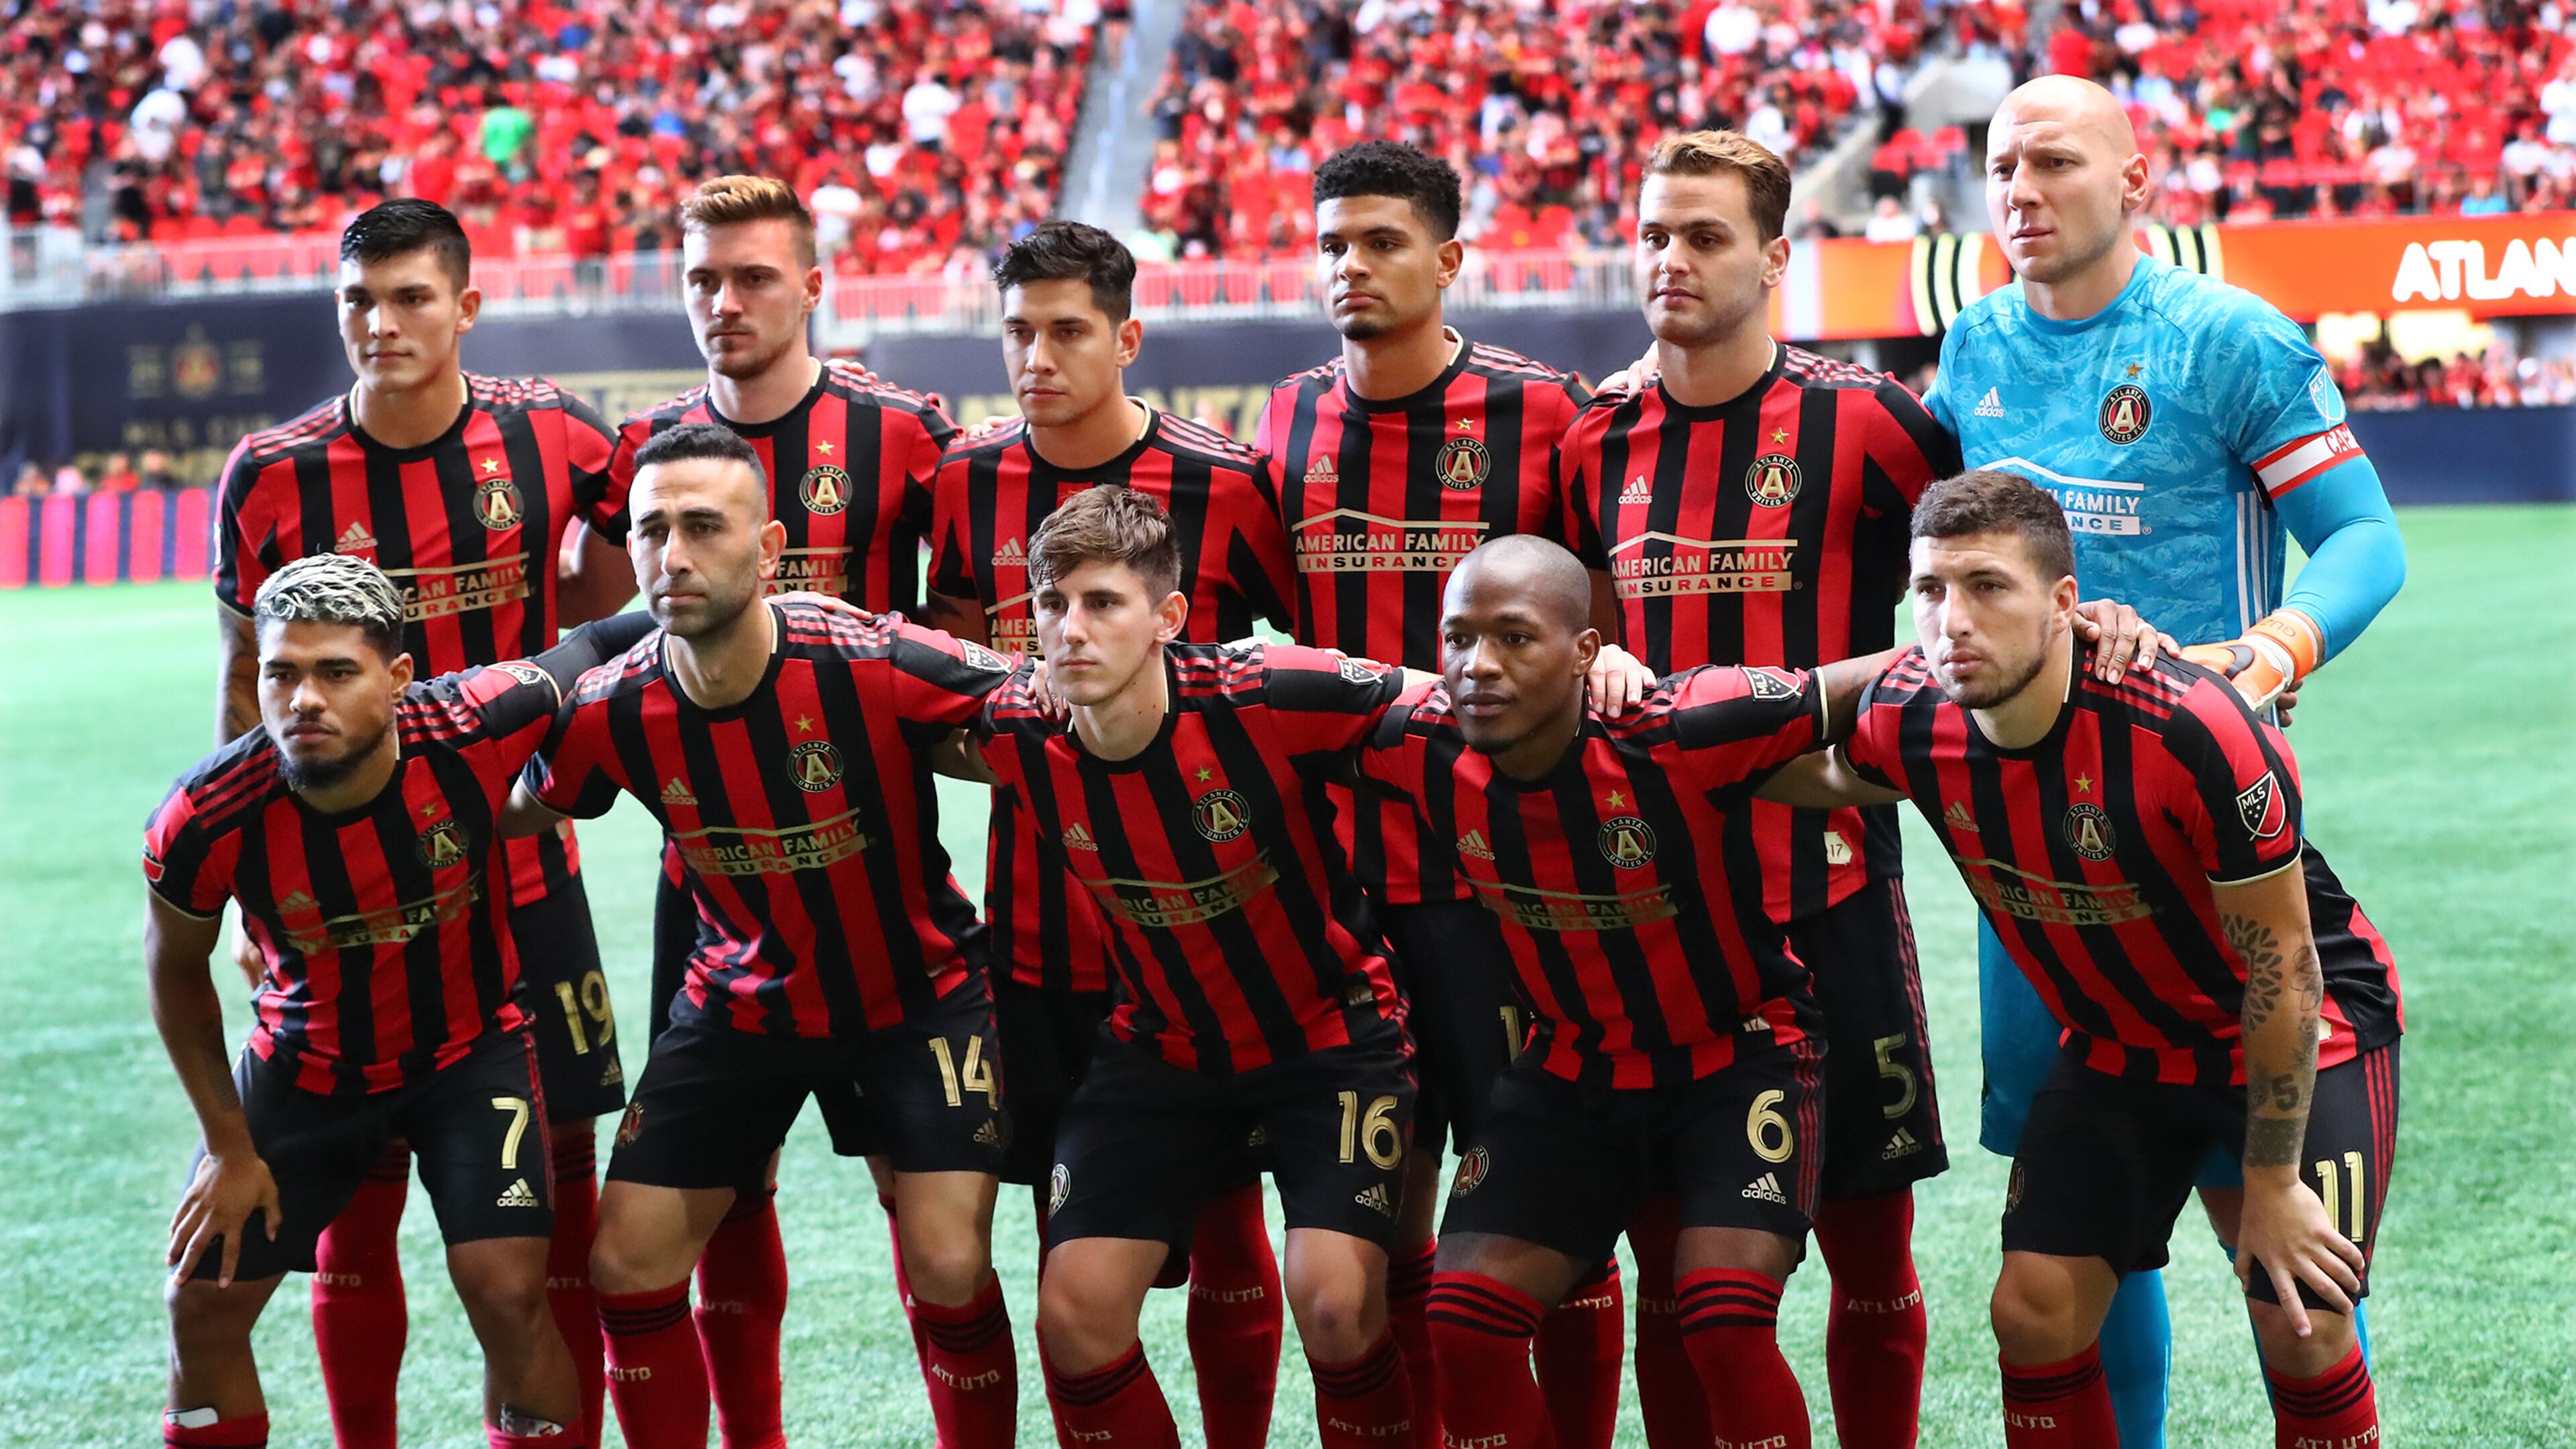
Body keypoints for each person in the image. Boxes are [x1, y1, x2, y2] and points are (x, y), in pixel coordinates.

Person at [1919, 76, 2407, 1446]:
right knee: (2087, 1242)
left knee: (2289, 1274)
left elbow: (2369, 541)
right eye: (2001, 167)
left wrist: (2263, 658)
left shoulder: (2226, 339)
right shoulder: (1973, 349)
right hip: (2035, 870)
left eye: (2054, 163)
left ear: (2135, 184)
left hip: (2203, 833)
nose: (2018, 191)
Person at [1764, 469, 2402, 1449]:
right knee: (2033, 1310)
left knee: (2302, 1320)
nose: (1952, 621)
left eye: (1988, 587)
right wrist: (1642, 723)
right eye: (1930, 591)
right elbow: (1819, 772)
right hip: (2120, 1046)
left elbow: (2285, 964)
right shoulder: (1912, 713)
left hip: (2303, 1030)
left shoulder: (2188, 726)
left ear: (2066, 604)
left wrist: (2270, 1187)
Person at [208, 197, 635, 1449]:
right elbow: (246, 688)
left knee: (555, 1170)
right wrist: (246, 888)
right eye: (357, 299)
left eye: (408, 297)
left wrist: (565, 781)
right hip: (333, 882)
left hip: (516, 866)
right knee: (355, 1192)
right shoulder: (273, 470)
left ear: (467, 307)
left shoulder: (549, 431)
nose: (381, 323)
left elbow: (617, 612)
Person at [508, 423, 1021, 1449]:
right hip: (739, 1005)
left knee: (950, 1265)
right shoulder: (614, 707)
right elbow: (525, 804)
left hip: (916, 995)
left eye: (705, 526)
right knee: (627, 1264)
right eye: (652, 531)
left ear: (771, 545)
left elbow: (1031, 707)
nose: (674, 554)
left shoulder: (869, 657)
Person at [1562, 129, 1961, 1448]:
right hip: (1657, 913)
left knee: (1868, 1251)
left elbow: (1982, 594)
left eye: (1706, 236)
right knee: (1689, 1277)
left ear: (1777, 256)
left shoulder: (1879, 427)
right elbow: (1565, 620)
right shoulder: (1597, 436)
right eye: (1655, 234)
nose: (1670, 260)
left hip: (1832, 892)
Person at [1251, 140, 1649, 1449]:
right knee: (1377, 1209)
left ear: (1451, 260)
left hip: (1515, 883)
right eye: (1330, 245)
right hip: (1341, 893)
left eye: (1380, 242)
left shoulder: (1547, 415)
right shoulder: (1287, 419)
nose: (1350, 267)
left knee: (1554, 1204)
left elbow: (1614, 623)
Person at [596, 174, 961, 1448]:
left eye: (753, 276)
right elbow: (605, 650)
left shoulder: (903, 429)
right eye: (701, 277)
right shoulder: (643, 453)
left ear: (813, 283)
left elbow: (956, 628)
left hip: (880, 875)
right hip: (714, 880)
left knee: (921, 1198)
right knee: (720, 1193)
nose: (726, 301)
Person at [142, 553, 655, 1449]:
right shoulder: (205, 816)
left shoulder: (475, 721)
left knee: (506, 1294)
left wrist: (767, 616)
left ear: (398, 678)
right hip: (306, 1064)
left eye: (336, 671)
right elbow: (177, 977)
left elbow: (604, 637)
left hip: (471, 1053)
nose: (305, 699)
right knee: (201, 1302)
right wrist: (228, 1147)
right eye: (282, 673)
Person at [925, 219, 1298, 1444]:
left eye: (1069, 329)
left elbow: (1282, 688)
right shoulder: (963, 480)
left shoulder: (1229, 483)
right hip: (1037, 928)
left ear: (1127, 337)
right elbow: (950, 685)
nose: (1038, 354)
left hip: (1210, 938)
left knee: (1232, 1216)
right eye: (1018, 330)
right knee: (1069, 1233)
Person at [965, 484, 1417, 1449]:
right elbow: (877, 663)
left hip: (1329, 1039)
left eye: (1101, 603)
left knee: (1336, 1307)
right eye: (1051, 605)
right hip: (1162, 1049)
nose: (1070, 630)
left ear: (1169, 617)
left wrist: (1607, 668)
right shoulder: (1013, 725)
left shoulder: (1270, 694)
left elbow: (1455, 696)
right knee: (1074, 1314)